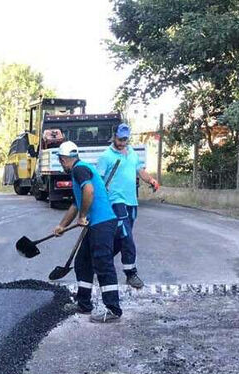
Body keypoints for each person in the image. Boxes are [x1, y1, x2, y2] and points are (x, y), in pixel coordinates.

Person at [52, 141, 122, 322]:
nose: (61, 164)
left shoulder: (78, 169)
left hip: (103, 223)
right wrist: (62, 226)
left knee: (103, 264)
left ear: (63, 159)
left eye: (61, 161)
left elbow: (89, 191)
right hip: (96, 224)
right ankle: (84, 303)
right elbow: (76, 203)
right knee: (83, 261)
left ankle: (113, 309)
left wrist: (83, 216)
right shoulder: (81, 169)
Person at [98, 123, 159, 289]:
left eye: (125, 139)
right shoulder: (106, 156)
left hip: (131, 201)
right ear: (114, 136)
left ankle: (100, 260)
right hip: (115, 201)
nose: (123, 142)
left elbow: (140, 170)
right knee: (127, 237)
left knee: (122, 237)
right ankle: (131, 273)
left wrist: (151, 180)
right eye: (120, 139)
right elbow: (99, 181)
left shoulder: (131, 153)